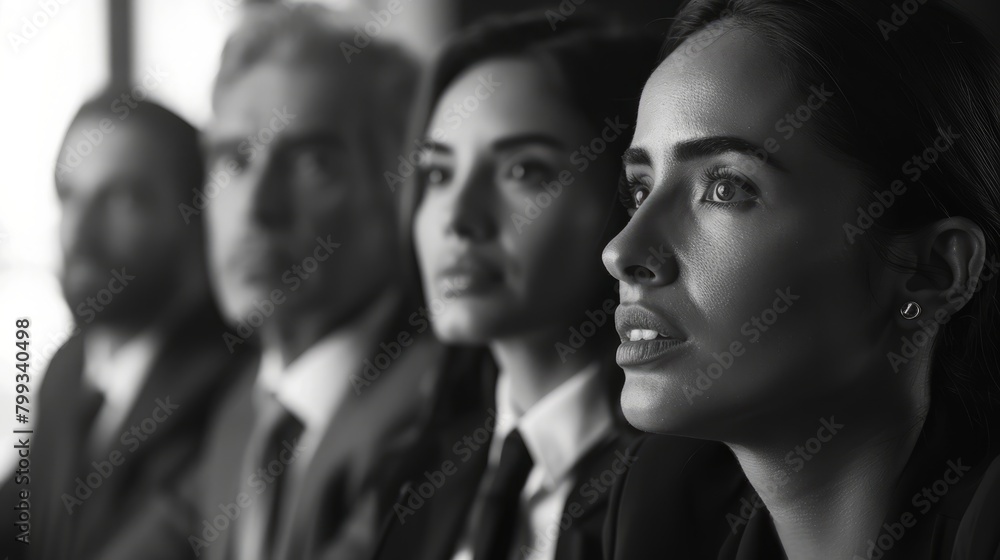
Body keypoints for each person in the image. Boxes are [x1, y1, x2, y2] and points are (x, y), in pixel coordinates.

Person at [602, 0, 1000, 558]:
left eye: (725, 188)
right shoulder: (663, 509)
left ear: (931, 272)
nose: (622, 251)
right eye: (640, 190)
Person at [372, 12, 745, 560]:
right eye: (438, 174)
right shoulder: (414, 470)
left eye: (523, 171)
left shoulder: (702, 495)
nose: (458, 219)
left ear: (630, 194)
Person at [96, 4, 441, 560]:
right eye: (235, 160)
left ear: (400, 191)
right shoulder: (246, 406)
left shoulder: (439, 407)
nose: (257, 209)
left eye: (312, 162)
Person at [0, 94, 245, 560]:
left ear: (196, 215)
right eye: (68, 195)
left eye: (121, 199)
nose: (77, 231)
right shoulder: (70, 366)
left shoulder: (233, 381)